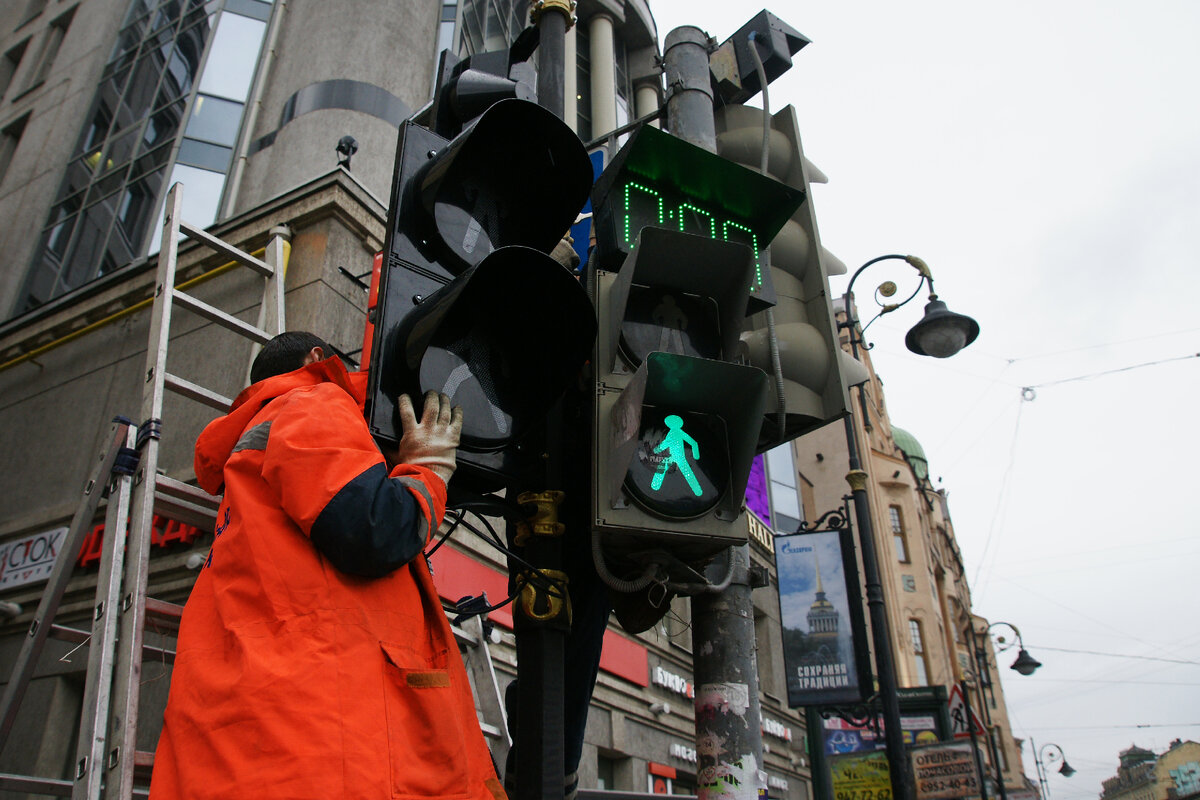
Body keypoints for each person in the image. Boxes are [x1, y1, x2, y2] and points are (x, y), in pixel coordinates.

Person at [149, 331, 505, 800]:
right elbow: (376, 529)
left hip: (262, 749)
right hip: (328, 744)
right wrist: (429, 469)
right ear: (318, 358)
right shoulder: (312, 399)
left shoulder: (250, 465)